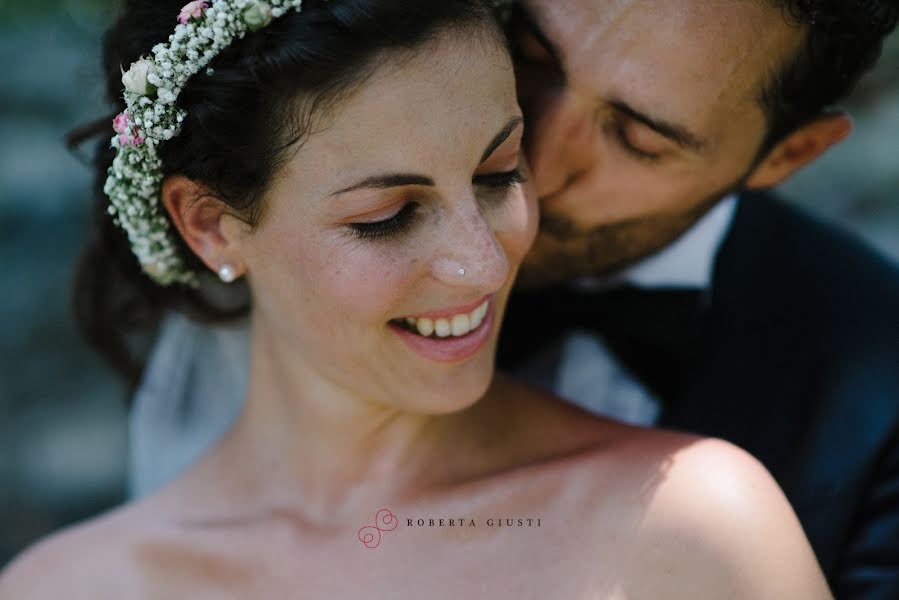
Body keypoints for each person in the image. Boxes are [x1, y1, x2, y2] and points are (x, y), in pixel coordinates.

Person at [0, 0, 832, 597]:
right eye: (386, 217)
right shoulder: (69, 586)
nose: (481, 265)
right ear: (211, 225)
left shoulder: (691, 523)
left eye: (500, 173)